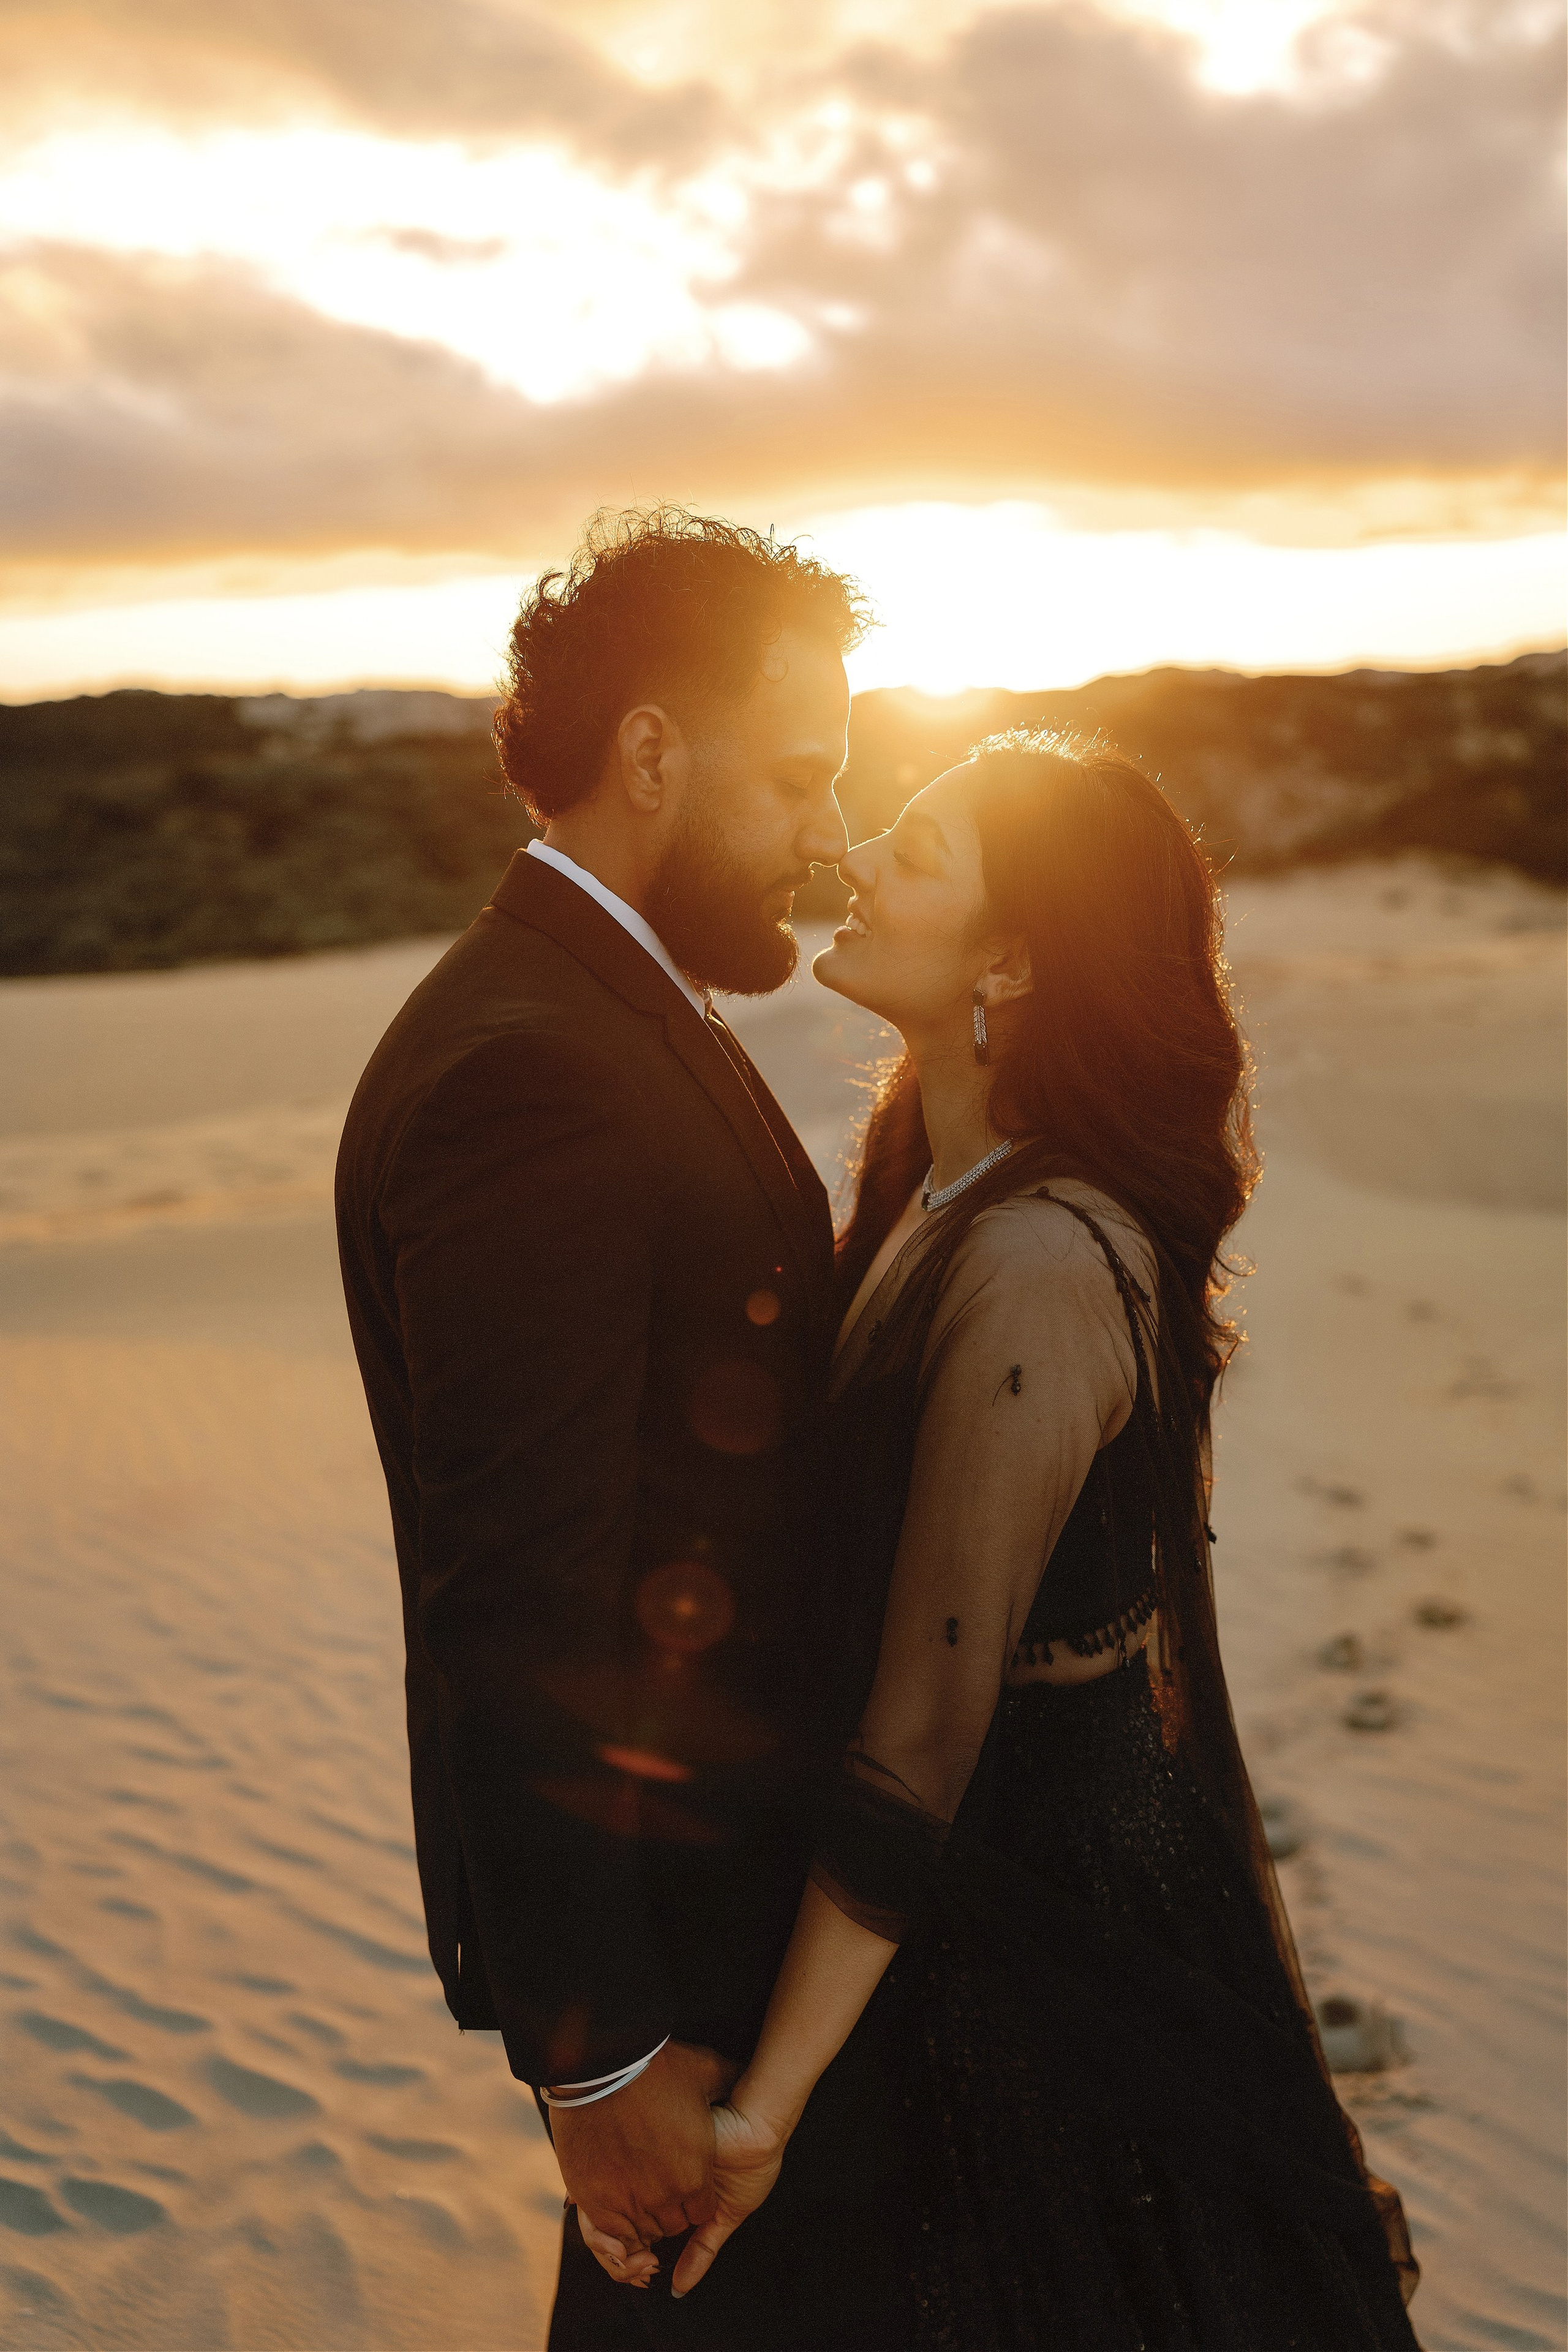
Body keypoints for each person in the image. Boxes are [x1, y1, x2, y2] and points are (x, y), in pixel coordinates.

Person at [625, 732, 1423, 2347]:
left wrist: (765, 2112)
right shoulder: (930, 1174)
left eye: (915, 856)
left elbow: (925, 1736)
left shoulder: (1043, 1268)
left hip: (1042, 1979)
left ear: (1012, 956)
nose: (858, 864)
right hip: (943, 1923)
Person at [336, 507, 897, 2349]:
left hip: (734, 1932)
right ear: (654, 749)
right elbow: (518, 1588)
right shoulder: (531, 1067)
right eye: (801, 774)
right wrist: (601, 2057)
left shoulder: (610, 1004)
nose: (830, 832)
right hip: (681, 1973)